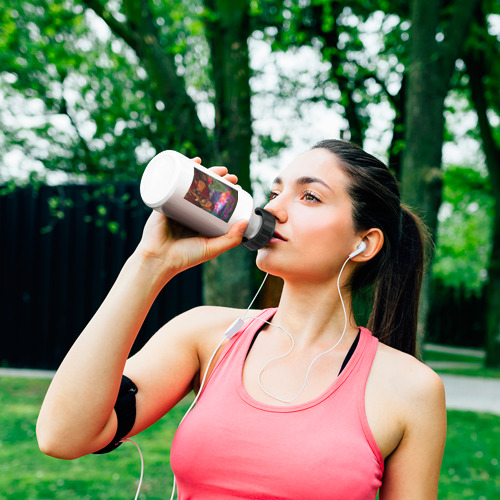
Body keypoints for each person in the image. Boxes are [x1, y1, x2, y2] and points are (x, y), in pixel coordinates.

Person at [37, 139, 447, 499]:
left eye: (309, 197)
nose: (274, 208)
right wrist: (150, 263)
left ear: (363, 243)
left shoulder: (411, 389)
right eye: (275, 191)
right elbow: (63, 435)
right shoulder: (205, 335)